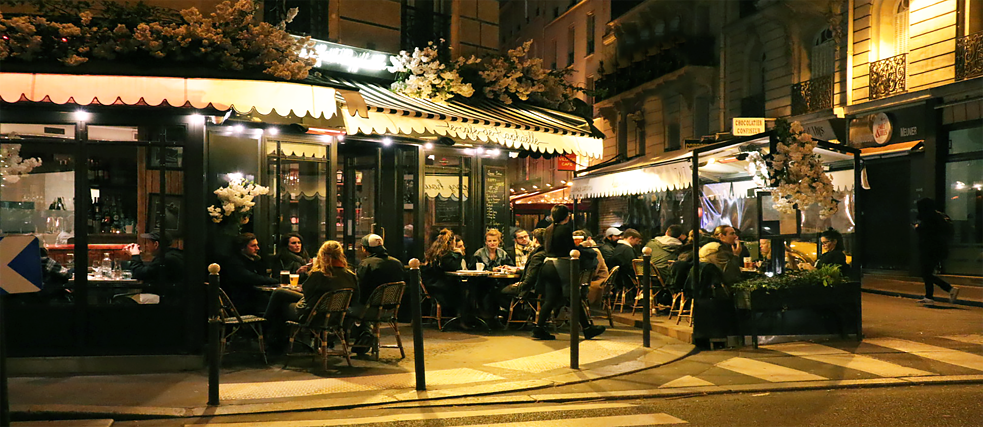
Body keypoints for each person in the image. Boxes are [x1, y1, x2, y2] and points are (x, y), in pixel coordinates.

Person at [264, 240, 358, 353]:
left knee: (280, 300)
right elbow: (355, 298)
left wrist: (312, 270)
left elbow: (307, 294)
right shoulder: (350, 275)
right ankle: (282, 341)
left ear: (323, 255)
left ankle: (269, 333)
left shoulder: (319, 274)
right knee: (281, 294)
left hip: (312, 316)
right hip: (337, 316)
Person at [532, 204, 605, 341]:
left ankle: (539, 327)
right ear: (566, 216)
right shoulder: (565, 229)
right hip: (561, 266)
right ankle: (587, 329)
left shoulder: (548, 229)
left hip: (547, 265)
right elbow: (571, 250)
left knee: (550, 299)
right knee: (574, 296)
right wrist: (584, 248)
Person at [915, 198, 959, 304]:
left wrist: (917, 227)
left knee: (926, 273)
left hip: (930, 248)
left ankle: (949, 289)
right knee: (927, 272)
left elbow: (926, 232)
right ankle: (929, 296)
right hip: (938, 248)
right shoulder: (939, 216)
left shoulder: (929, 217)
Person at [222, 232, 278, 311]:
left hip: (253, 299)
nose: (257, 248)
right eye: (253, 246)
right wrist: (276, 280)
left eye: (257, 245)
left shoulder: (254, 260)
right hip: (244, 303)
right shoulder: (234, 262)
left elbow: (262, 276)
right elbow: (251, 277)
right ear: (242, 248)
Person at [421, 229, 467, 320]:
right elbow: (455, 267)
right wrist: (459, 254)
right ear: (451, 242)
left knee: (462, 287)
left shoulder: (435, 252)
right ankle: (460, 319)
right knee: (465, 290)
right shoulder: (445, 255)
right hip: (438, 287)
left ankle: (458, 318)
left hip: (431, 284)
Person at [125, 230, 185, 297]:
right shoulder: (172, 255)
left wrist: (135, 255)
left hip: (164, 298)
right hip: (168, 296)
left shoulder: (165, 259)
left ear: (156, 244)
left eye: (148, 243)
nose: (146, 246)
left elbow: (140, 274)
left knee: (123, 299)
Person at [355, 233, 405, 306]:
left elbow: (360, 288)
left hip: (369, 307)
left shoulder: (366, 264)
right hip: (393, 306)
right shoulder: (397, 263)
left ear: (364, 249)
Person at [575, 229, 610, 304]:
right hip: (586, 278)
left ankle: (580, 306)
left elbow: (594, 271)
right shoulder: (578, 252)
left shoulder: (594, 251)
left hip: (598, 279)